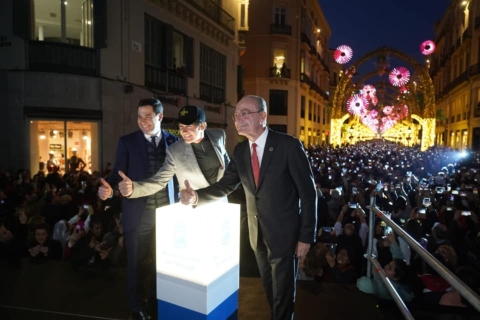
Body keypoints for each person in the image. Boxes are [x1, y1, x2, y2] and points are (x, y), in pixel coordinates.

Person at [180, 95, 317, 320]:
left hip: (285, 236)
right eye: (236, 115)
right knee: (271, 291)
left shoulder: (288, 146)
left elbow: (309, 194)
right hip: (257, 235)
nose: (239, 119)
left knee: (283, 295)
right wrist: (197, 197)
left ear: (263, 116)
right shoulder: (241, 151)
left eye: (245, 113)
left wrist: (305, 237)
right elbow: (226, 185)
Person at [97, 97, 179, 320]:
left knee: (161, 262)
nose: (142, 121)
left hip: (167, 212)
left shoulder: (175, 141)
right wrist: (109, 190)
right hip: (138, 213)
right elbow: (117, 175)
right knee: (135, 262)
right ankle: (136, 307)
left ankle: (154, 301)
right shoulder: (127, 142)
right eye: (139, 116)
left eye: (147, 116)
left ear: (160, 116)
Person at [116, 105, 230, 203]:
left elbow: (228, 166)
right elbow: (160, 181)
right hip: (194, 208)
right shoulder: (175, 151)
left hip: (221, 204)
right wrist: (134, 189)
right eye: (181, 126)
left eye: (189, 126)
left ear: (203, 126)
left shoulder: (218, 136)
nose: (184, 131)